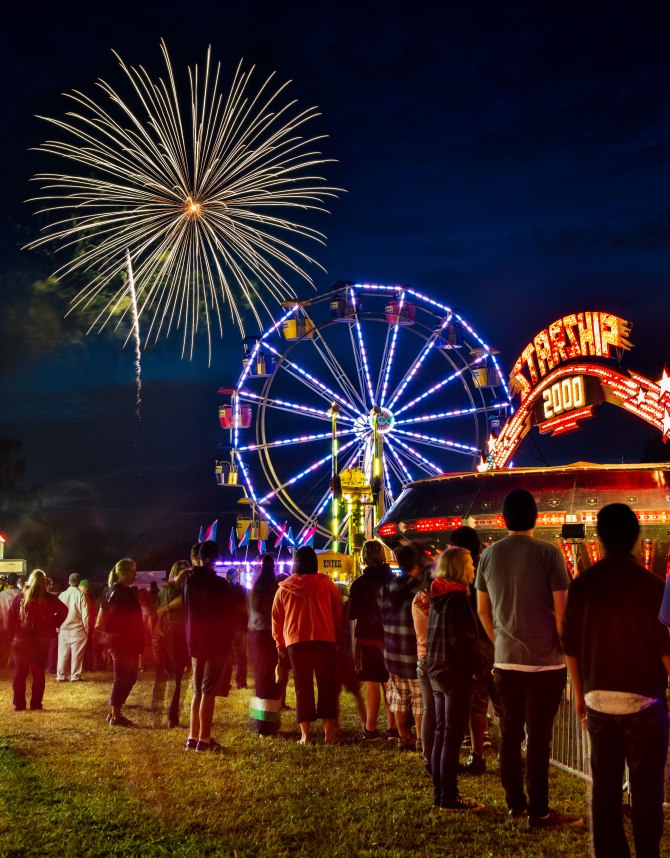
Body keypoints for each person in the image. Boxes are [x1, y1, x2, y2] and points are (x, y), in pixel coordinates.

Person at [564, 503, 670, 858]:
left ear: (600, 539)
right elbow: (665, 650)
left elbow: (571, 647)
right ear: (637, 539)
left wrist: (581, 694)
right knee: (647, 790)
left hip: (598, 698)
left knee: (604, 788)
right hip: (644, 700)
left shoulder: (583, 586)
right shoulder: (653, 586)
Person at [476, 488, 580, 829]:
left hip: (506, 662)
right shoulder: (549, 554)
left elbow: (482, 609)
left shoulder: (488, 557)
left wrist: (501, 640)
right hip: (546, 664)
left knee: (509, 734)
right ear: (535, 516)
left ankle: (515, 804)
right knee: (538, 738)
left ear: (504, 518)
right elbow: (562, 613)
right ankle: (539, 810)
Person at [427, 547, 486, 812]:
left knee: (442, 733)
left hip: (437, 671)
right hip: (455, 674)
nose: (473, 568)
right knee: (452, 735)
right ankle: (449, 795)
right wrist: (479, 666)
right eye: (471, 563)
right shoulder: (457, 599)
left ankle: (440, 792)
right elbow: (461, 641)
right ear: (460, 567)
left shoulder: (438, 596)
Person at [272, 545, 343, 744]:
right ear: (315, 562)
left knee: (302, 687)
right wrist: (338, 637)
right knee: (326, 686)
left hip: (296, 642)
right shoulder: (327, 584)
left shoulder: (284, 588)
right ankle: (329, 733)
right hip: (325, 639)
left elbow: (276, 619)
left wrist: (280, 643)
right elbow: (337, 612)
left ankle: (305, 734)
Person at [450, 525, 498, 775]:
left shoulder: (464, 573)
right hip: (494, 639)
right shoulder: (488, 567)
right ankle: (514, 747)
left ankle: (477, 753)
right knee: (501, 698)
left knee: (477, 700)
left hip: (478, 640)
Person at [183, 540, 235, 752]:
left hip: (194, 641)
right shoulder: (221, 585)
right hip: (215, 642)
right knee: (208, 691)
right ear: (217, 559)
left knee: (197, 691)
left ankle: (192, 736)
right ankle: (204, 739)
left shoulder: (188, 581)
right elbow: (227, 617)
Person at [348, 539, 396, 741]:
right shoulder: (393, 581)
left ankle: (371, 727)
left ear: (364, 557)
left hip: (368, 637)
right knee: (390, 683)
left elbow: (353, 612)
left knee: (372, 683)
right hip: (391, 637)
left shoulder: (360, 584)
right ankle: (393, 728)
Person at [378, 544, 422, 750]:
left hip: (393, 651)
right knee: (419, 699)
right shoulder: (420, 591)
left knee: (398, 698)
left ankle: (403, 737)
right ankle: (421, 738)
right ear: (416, 563)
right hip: (414, 652)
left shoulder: (385, 590)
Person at [7, 569, 68, 711]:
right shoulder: (48, 598)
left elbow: (11, 618)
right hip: (40, 641)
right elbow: (64, 610)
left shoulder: (19, 597)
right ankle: (36, 704)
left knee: (20, 673)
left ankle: (19, 704)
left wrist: (12, 638)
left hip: (21, 641)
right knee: (38, 673)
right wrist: (52, 623)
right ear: (43, 582)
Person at [97, 558, 144, 726]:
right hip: (121, 642)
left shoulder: (119, 590)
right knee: (123, 677)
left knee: (130, 677)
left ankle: (115, 712)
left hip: (125, 641)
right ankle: (115, 715)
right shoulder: (119, 591)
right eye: (132, 571)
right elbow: (117, 616)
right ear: (123, 573)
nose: (134, 574)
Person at [152, 560, 190, 728]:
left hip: (165, 637)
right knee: (177, 679)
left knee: (165, 677)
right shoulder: (184, 591)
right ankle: (172, 717)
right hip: (179, 636)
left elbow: (156, 613)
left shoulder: (164, 591)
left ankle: (158, 717)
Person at [247, 555, 281, 736]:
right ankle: (268, 724)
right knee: (271, 680)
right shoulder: (275, 589)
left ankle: (262, 722)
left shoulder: (254, 589)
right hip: (270, 636)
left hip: (255, 637)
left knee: (261, 680)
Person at [412, 562, 435, 772]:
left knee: (429, 710)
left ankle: (428, 756)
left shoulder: (417, 600)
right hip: (437, 659)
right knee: (443, 714)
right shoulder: (435, 603)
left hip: (422, 657)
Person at [57, 572, 90, 682]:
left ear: (69, 582)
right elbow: (85, 614)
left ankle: (61, 676)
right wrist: (87, 628)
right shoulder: (81, 594)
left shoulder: (62, 595)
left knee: (62, 654)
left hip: (63, 628)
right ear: (79, 582)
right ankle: (75, 676)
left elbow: (56, 613)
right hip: (77, 629)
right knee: (77, 655)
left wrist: (57, 626)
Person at [0, 573, 21, 667]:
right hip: (18, 623)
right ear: (17, 581)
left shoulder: (2, 594)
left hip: (5, 621)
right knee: (17, 642)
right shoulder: (21, 593)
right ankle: (13, 661)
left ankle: (9, 661)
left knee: (8, 642)